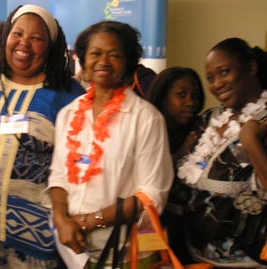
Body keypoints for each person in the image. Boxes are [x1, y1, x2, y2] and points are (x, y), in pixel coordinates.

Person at [0, 4, 86, 268]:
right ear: (5, 37)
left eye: (36, 38)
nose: (24, 44)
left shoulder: (69, 95)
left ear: (51, 46)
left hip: (42, 237)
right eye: (17, 34)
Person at [47, 21, 174, 268]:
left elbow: (151, 195)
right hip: (72, 250)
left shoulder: (146, 118)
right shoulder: (68, 114)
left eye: (114, 55)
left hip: (124, 253)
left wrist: (88, 222)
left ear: (127, 62)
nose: (103, 62)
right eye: (95, 53)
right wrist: (62, 220)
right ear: (83, 59)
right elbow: (59, 176)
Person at [177, 37, 267, 267]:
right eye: (210, 78)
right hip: (193, 253)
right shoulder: (209, 117)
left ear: (251, 67)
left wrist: (251, 141)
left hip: (246, 258)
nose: (217, 83)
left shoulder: (263, 121)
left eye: (224, 72)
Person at [146, 66, 205, 263]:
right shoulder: (147, 130)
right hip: (153, 226)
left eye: (195, 95)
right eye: (181, 95)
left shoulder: (201, 131)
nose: (191, 103)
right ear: (163, 98)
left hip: (194, 234)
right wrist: (180, 154)